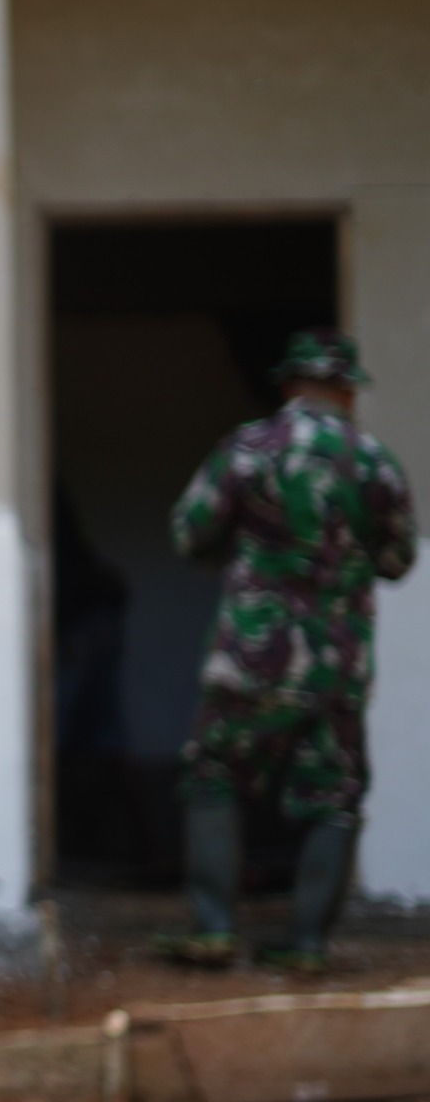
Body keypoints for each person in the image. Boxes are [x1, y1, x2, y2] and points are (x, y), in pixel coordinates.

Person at [155, 329, 416, 972]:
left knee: (215, 775)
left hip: (254, 654)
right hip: (339, 663)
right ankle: (307, 943)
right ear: (348, 389)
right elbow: (398, 560)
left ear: (288, 384)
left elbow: (190, 532)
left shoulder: (248, 449)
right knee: (336, 794)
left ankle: (214, 929)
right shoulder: (376, 463)